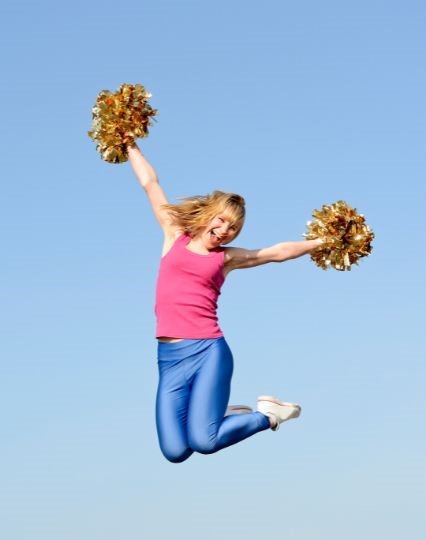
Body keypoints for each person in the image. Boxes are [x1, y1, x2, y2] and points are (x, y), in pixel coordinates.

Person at [127, 143, 322, 463]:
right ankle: (221, 413)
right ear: (209, 215)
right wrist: (130, 143)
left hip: (207, 351)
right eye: (221, 221)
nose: (225, 231)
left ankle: (267, 416)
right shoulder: (175, 234)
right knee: (175, 451)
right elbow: (151, 184)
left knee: (204, 441)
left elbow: (275, 253)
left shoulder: (226, 259)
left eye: (233, 228)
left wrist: (319, 242)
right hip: (169, 358)